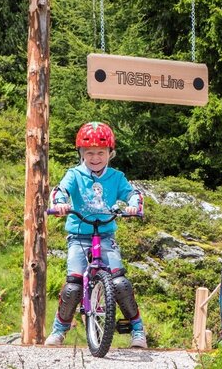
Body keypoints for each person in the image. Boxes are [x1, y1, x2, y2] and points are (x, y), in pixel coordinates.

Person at [44, 121, 147, 348]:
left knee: (119, 282)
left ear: (111, 153)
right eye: (89, 153)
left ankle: (138, 330)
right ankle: (59, 331)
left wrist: (133, 206)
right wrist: (60, 204)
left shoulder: (116, 177)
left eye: (101, 152)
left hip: (106, 236)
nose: (95, 157)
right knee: (74, 285)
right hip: (79, 236)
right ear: (81, 153)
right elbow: (59, 191)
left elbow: (133, 194)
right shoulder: (75, 174)